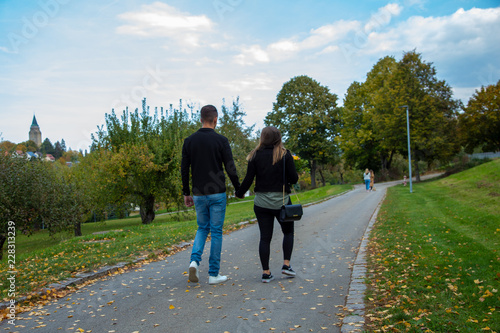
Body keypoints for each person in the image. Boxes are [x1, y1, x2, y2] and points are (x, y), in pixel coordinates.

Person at [181, 105, 241, 285]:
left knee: (201, 228)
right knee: (215, 232)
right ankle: (214, 274)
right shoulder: (221, 140)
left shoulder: (189, 141)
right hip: (217, 193)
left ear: (201, 119)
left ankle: (194, 262)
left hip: (198, 194)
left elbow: (184, 169)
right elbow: (230, 166)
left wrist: (186, 193)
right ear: (215, 120)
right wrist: (238, 188)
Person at [235, 126, 299, 283]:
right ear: (278, 138)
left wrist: (239, 193)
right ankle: (286, 265)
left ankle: (266, 273)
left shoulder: (255, 155)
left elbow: (248, 179)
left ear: (262, 137)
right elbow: (294, 178)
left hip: (261, 203)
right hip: (281, 202)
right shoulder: (285, 155)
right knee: (288, 233)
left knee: (265, 237)